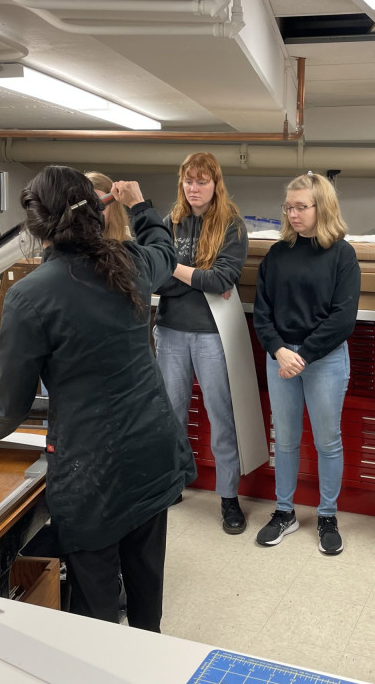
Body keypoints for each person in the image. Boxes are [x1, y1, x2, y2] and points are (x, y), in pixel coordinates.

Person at [0, 165, 195, 632]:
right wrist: (140, 205)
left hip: (93, 470)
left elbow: (8, 404)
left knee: (95, 606)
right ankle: (152, 657)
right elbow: (165, 252)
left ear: (37, 225)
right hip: (152, 449)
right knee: (147, 590)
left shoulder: (30, 296)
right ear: (96, 210)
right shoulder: (128, 264)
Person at [253, 172, 360, 555]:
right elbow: (262, 312)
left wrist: (304, 355)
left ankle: (327, 515)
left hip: (324, 359)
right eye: (289, 207)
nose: (293, 214)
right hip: (281, 357)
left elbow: (343, 317)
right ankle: (285, 511)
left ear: (322, 207)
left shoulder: (342, 255)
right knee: (284, 439)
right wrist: (280, 350)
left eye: (302, 207)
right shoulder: (278, 254)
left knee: (327, 441)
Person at [154, 152, 250, 534]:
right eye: (189, 181)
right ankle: (173, 484)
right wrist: (198, 277)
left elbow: (222, 280)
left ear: (216, 184)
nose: (194, 189)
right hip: (170, 331)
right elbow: (153, 281)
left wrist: (174, 270)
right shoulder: (168, 223)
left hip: (213, 334)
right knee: (170, 415)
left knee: (221, 418)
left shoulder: (232, 225)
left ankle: (228, 498)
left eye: (202, 181)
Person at [84, 171, 131, 241]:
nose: (91, 213)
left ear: (113, 209)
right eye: (86, 206)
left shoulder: (129, 249)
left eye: (99, 206)